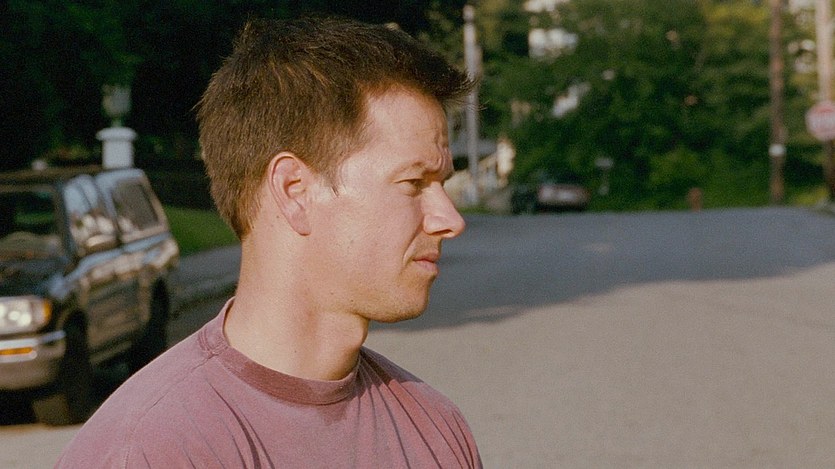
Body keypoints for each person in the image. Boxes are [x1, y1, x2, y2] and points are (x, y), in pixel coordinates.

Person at [56, 15, 482, 468]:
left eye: (442, 184)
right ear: (294, 190)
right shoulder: (153, 450)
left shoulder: (435, 430)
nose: (450, 220)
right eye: (414, 183)